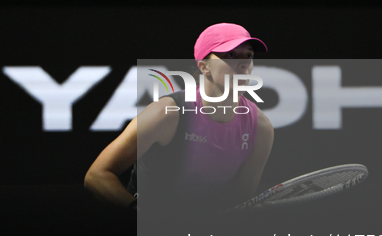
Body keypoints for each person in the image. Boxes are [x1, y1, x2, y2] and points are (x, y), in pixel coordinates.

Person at [84, 23, 274, 218]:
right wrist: (140, 214)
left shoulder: (261, 128)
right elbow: (97, 175)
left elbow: (238, 203)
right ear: (204, 67)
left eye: (248, 56)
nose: (243, 63)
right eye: (231, 55)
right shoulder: (166, 114)